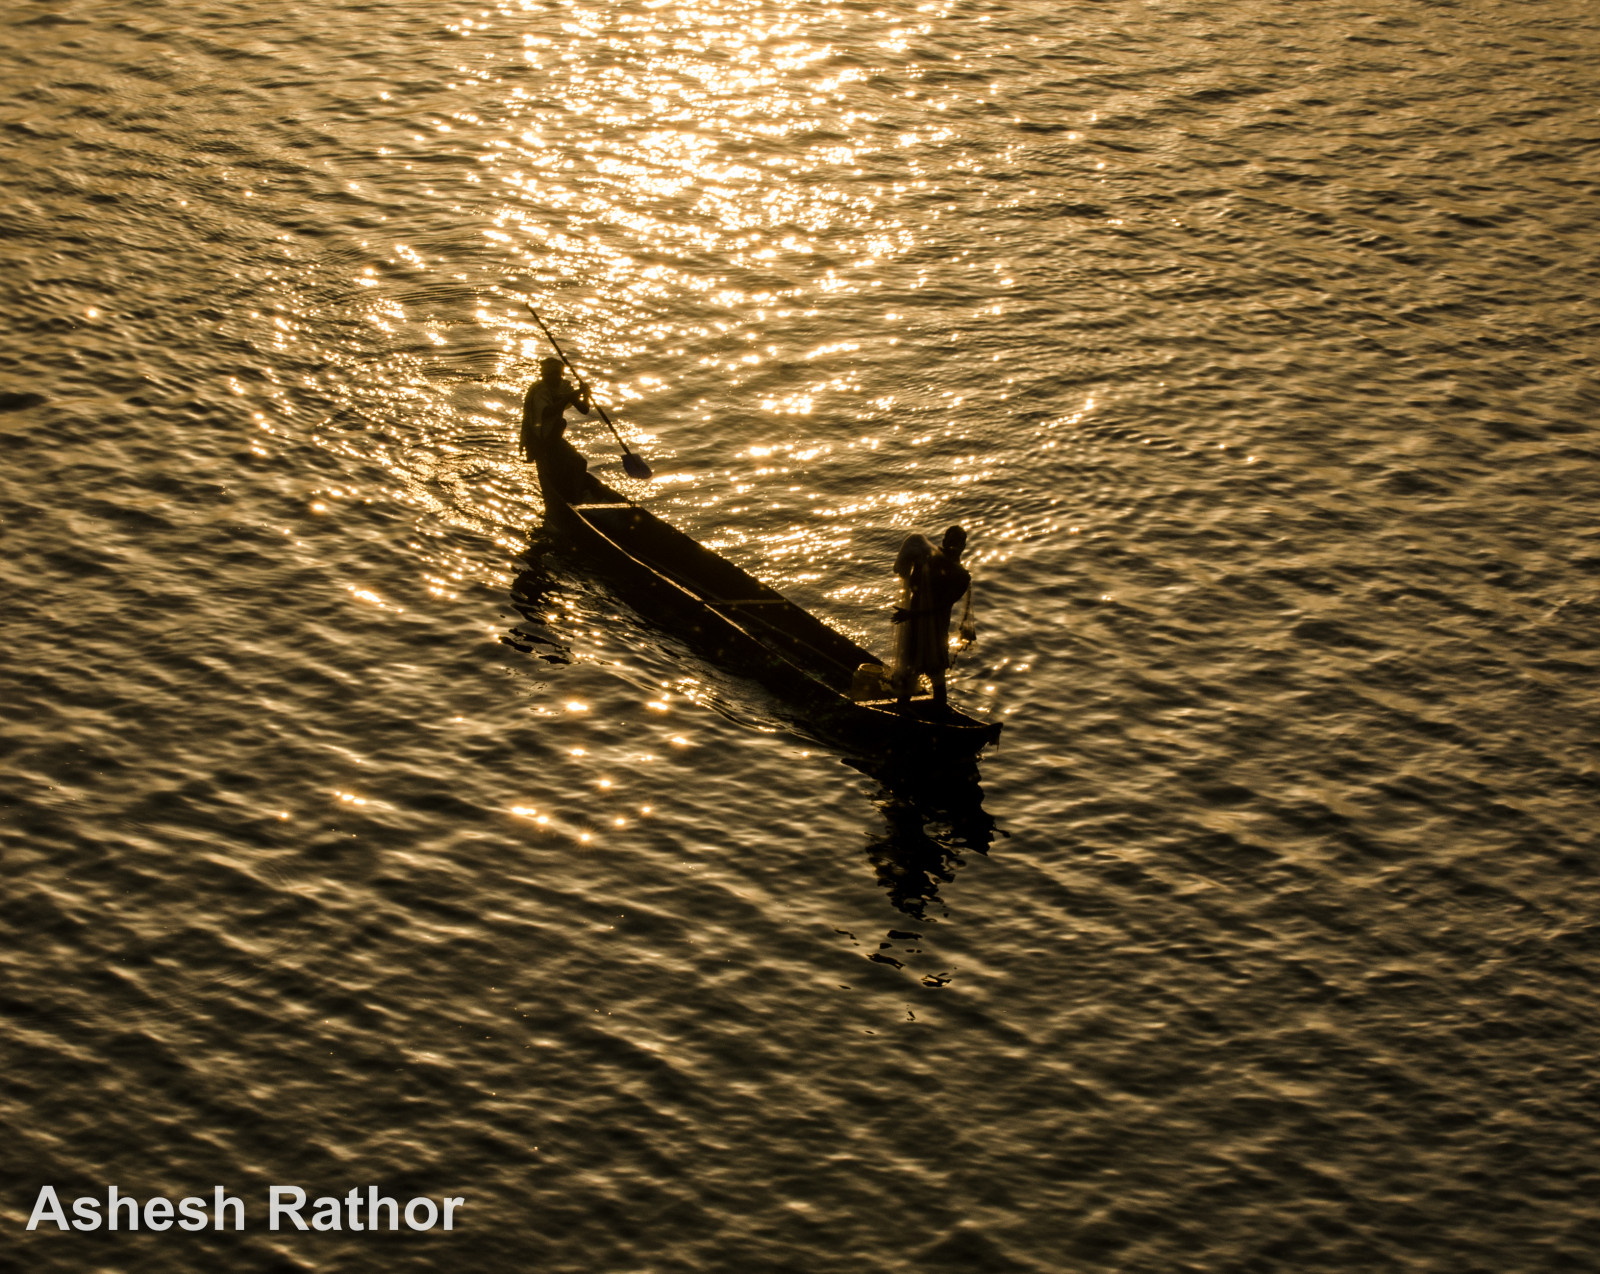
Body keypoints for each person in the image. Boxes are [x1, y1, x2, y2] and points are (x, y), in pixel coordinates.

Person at [520, 356, 594, 499]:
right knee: (556, 466)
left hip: (554, 437)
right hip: (541, 439)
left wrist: (585, 395)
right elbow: (548, 412)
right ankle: (568, 496)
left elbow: (584, 409)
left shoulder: (563, 388)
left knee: (579, 463)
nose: (555, 378)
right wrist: (570, 396)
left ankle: (576, 496)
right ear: (544, 376)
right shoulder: (540, 391)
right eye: (550, 375)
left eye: (557, 374)